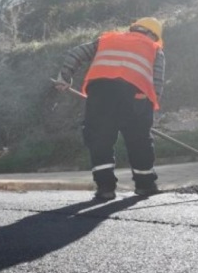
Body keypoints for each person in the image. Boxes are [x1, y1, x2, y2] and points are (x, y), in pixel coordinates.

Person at [54, 17, 166, 200]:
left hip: (101, 94)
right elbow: (157, 82)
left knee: (100, 139)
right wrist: (148, 111)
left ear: (134, 29)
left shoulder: (107, 39)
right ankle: (145, 186)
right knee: (140, 141)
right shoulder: (155, 49)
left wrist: (64, 77)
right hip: (136, 96)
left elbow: (76, 53)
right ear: (153, 35)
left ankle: (105, 188)